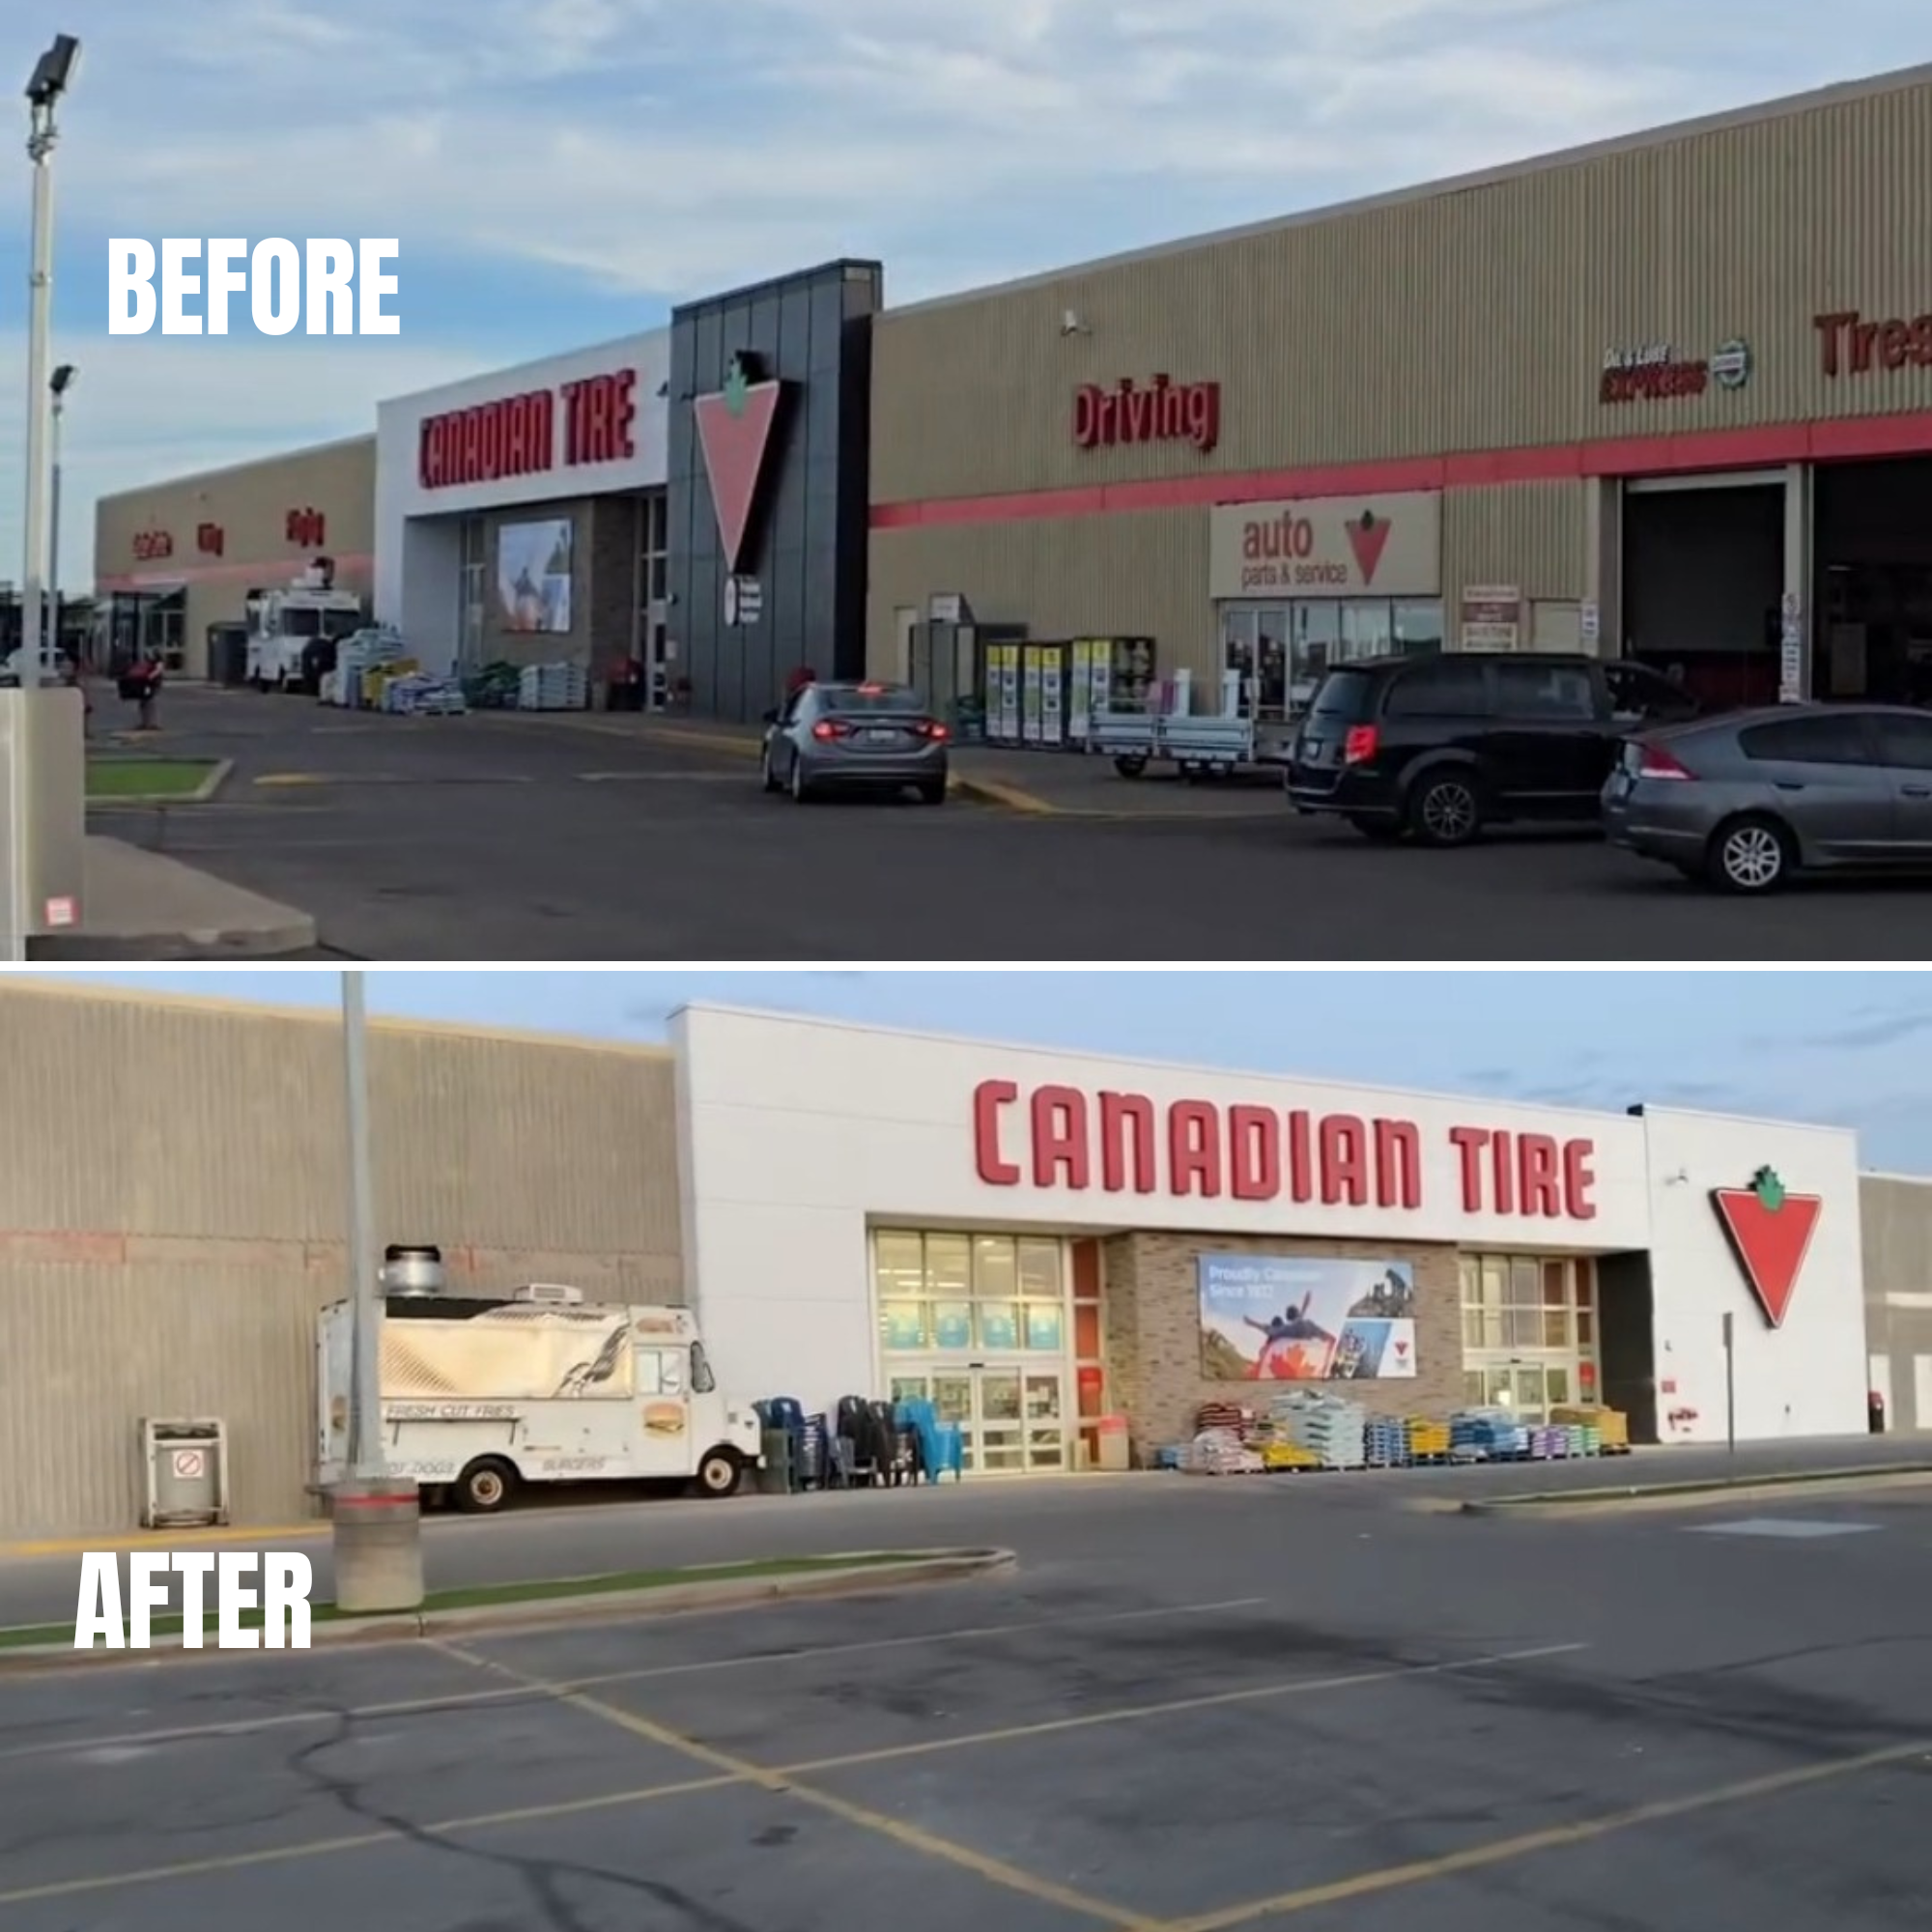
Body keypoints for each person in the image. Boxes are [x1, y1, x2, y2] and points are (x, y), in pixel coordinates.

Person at [118, 645, 163, 732]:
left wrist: (148, 677)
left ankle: (153, 723)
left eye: (151, 654)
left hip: (151, 685)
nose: (149, 656)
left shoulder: (158, 663)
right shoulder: (149, 663)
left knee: (150, 703)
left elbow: (156, 672)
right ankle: (146, 722)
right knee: (144, 703)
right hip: (147, 684)